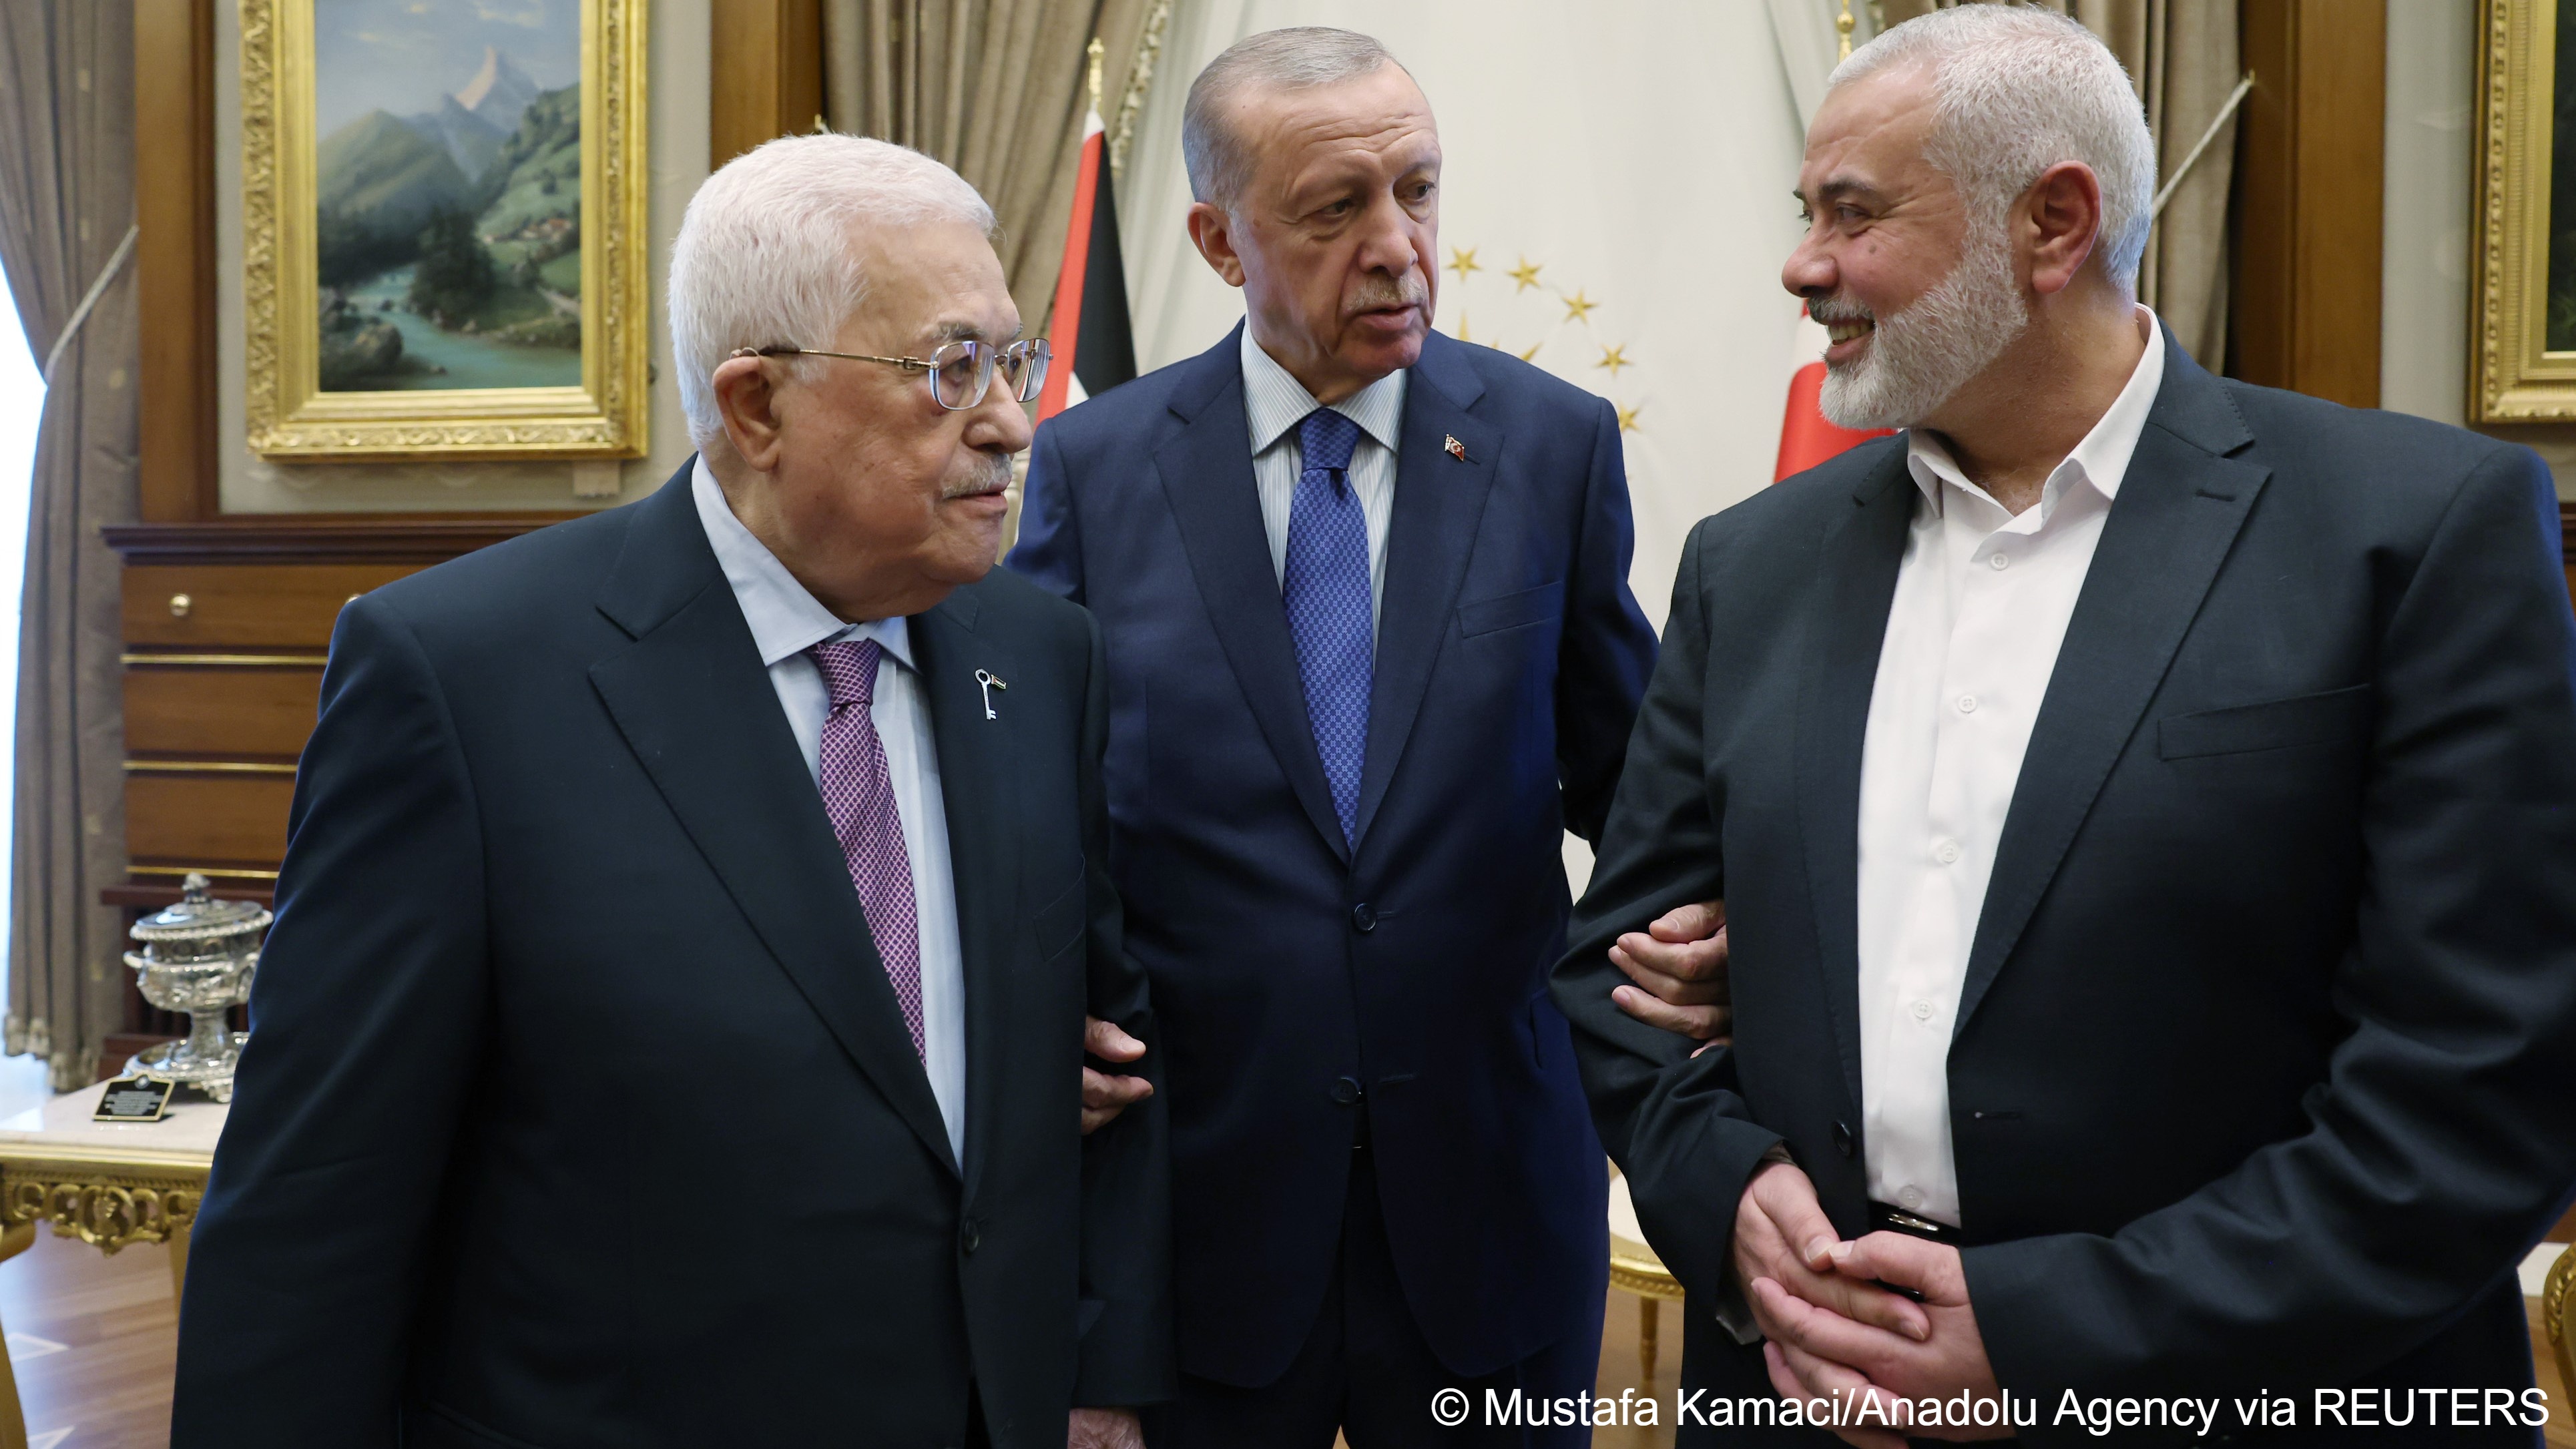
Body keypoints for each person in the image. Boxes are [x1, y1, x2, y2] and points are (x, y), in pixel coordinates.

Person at [1556, 8, 2576, 1445]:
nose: (1801, 267)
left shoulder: (2409, 536)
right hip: (1803, 1398)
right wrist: (1737, 1204)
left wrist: (2039, 1340)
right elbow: (1618, 968)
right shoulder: (1750, 564)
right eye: (1806, 216)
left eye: (1851, 216)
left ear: (2050, 222)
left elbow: (2473, 1101)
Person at [170, 135, 1170, 1449]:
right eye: (949, 369)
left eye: (1011, 360)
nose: (1007, 419)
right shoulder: (464, 681)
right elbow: (322, 1197)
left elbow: (1103, 1051)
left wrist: (1101, 1371)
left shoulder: (1039, 656)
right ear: (757, 406)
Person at [1008, 26, 1659, 1448]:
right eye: (1334, 208)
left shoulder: (1550, 448)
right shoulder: (1090, 469)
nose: (1398, 246)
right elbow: (1019, 829)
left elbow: (1645, 800)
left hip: (1489, 1195)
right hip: (1201, 1216)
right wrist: (1017, 1023)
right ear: (1218, 238)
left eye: (1417, 191)